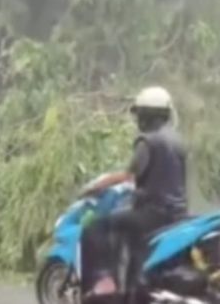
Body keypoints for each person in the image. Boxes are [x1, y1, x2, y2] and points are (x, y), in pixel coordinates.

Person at [80, 86, 187, 301]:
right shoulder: (178, 141)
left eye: (140, 114)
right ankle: (130, 288)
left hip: (152, 214)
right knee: (126, 225)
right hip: (178, 213)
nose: (138, 119)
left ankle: (105, 284)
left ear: (147, 115)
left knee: (95, 227)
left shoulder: (148, 142)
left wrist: (95, 186)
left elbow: (128, 176)